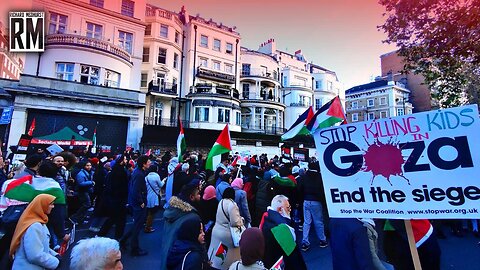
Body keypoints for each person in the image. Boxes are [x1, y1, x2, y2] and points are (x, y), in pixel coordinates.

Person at [160, 178, 202, 270]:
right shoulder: (191, 218)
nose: (200, 196)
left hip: (168, 256)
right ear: (191, 197)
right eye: (198, 194)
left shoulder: (172, 211)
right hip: (180, 259)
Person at [10, 194, 60, 270]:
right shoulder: (34, 226)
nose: (53, 207)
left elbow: (40, 245)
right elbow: (34, 255)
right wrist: (56, 262)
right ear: (42, 205)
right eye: (51, 204)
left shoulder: (38, 221)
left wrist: (55, 255)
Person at [260, 195, 306, 270]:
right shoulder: (282, 228)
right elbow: (294, 257)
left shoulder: (267, 217)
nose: (290, 211)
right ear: (280, 210)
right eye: (288, 208)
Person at [121, 155, 151, 256]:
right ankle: (135, 249)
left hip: (137, 202)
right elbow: (135, 190)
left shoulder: (139, 172)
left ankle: (124, 240)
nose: (150, 163)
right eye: (148, 161)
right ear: (143, 163)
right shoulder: (139, 174)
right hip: (139, 204)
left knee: (136, 225)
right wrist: (141, 202)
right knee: (137, 226)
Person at [208, 187, 243, 270]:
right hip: (226, 235)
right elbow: (235, 222)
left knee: (215, 252)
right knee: (225, 256)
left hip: (216, 230)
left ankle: (212, 264)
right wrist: (242, 220)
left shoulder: (221, 201)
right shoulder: (232, 205)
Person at [297, 161, 328, 251]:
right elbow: (322, 191)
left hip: (306, 201)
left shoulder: (303, 176)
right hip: (316, 202)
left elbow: (300, 189)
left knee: (307, 222)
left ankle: (305, 242)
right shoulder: (320, 177)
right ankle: (322, 240)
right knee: (318, 222)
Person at [99, 155, 129, 240]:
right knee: (118, 220)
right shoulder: (120, 172)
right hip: (118, 200)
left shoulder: (115, 171)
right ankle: (117, 238)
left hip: (115, 199)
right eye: (125, 159)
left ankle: (102, 234)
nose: (126, 161)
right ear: (121, 161)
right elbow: (120, 187)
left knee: (113, 219)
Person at [145, 163, 164, 233]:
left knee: (148, 212)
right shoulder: (156, 176)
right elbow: (161, 185)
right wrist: (164, 180)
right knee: (152, 213)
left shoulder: (146, 177)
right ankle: (148, 227)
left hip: (147, 196)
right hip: (154, 196)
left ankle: (146, 224)